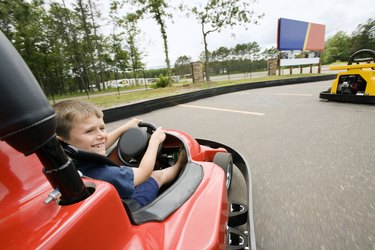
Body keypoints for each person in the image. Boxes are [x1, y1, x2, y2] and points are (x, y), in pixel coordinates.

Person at [53, 99, 186, 207]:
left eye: (102, 128)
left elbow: (98, 145)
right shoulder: (106, 173)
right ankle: (179, 163)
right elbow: (144, 173)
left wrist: (124, 128)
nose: (101, 135)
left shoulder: (64, 160)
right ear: (63, 140)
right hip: (129, 205)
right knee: (157, 175)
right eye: (90, 131)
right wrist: (155, 141)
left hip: (100, 204)